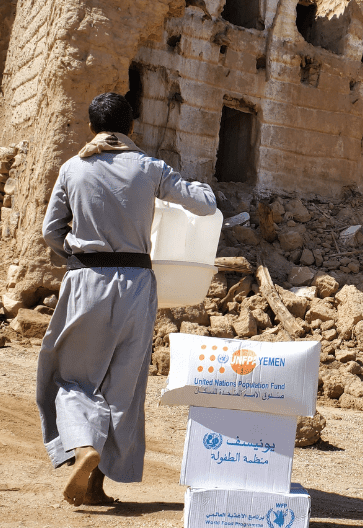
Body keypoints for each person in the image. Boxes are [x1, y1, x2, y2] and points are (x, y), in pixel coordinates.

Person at [36, 92, 217, 506]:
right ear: (131, 127)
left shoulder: (72, 169)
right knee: (122, 387)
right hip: (137, 284)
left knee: (71, 376)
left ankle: (83, 447)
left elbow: (51, 231)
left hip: (86, 281)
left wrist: (79, 254)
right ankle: (97, 486)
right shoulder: (150, 168)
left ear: (91, 127)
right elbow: (204, 205)